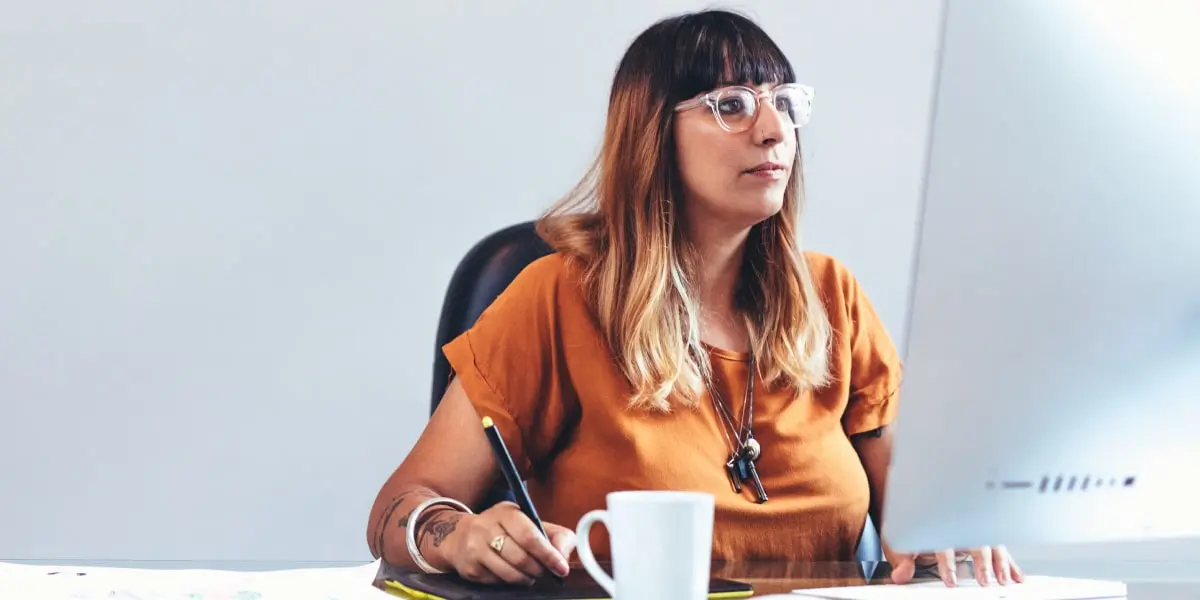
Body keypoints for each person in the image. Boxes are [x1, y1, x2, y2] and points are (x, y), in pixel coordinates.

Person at [367, 9, 1022, 589]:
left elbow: (915, 511)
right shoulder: (556, 298)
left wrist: (944, 529)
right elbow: (400, 505)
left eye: (785, 102)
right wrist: (454, 534)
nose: (774, 129)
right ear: (652, 134)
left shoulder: (834, 297)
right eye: (732, 104)